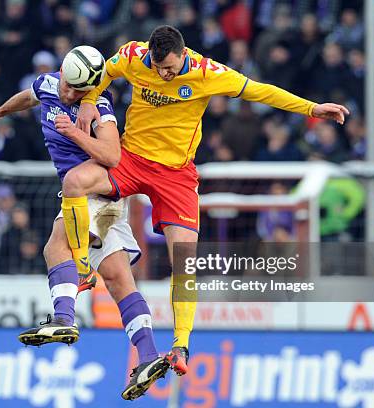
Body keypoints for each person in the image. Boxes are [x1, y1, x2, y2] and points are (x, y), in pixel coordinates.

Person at [68, 25, 350, 376]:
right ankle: (81, 268)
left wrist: (311, 109)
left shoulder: (207, 73)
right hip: (132, 159)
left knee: (184, 262)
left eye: (169, 68)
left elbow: (261, 92)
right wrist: (91, 101)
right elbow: (103, 73)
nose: (163, 74)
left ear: (183, 54)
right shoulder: (133, 56)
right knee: (76, 182)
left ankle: (180, 344)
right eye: (158, 68)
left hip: (175, 175)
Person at [0, 46, 169, 400]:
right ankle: (147, 355)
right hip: (95, 197)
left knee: (56, 246)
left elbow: (113, 156)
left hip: (95, 188)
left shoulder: (99, 107)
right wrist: (1, 111)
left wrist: (74, 133)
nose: (69, 93)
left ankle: (64, 318)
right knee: (117, 277)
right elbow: (30, 95)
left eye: (78, 91)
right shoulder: (49, 84)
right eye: (68, 86)